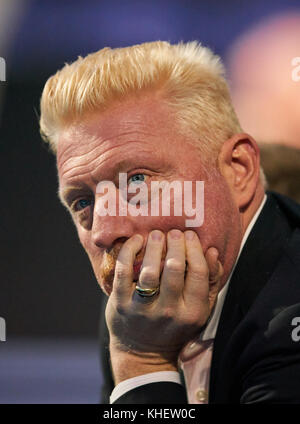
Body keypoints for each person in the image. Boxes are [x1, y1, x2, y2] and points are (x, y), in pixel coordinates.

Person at [39, 41, 300, 404]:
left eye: (137, 182)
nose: (104, 231)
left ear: (238, 171)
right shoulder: (142, 303)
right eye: (83, 201)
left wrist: (142, 362)